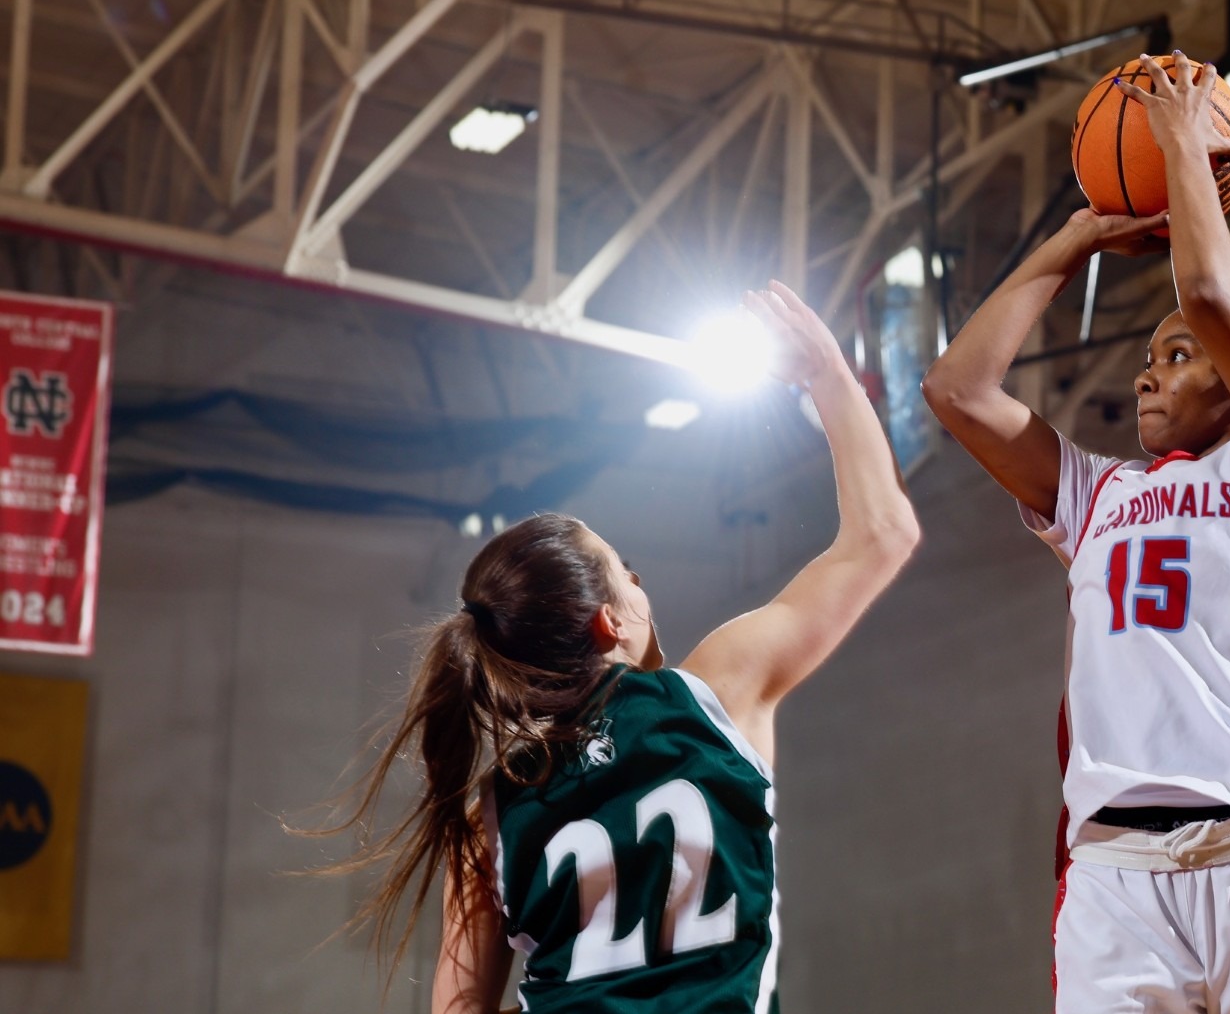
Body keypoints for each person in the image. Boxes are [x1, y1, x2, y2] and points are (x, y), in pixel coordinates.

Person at [312, 282, 919, 1013]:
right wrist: (827, 371)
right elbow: (884, 533)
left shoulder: (493, 814)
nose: (639, 579)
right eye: (625, 572)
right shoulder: (716, 693)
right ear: (610, 622)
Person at [922, 52, 1230, 1013]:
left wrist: (1178, 138)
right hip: (1114, 876)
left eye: (1177, 357)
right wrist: (1074, 239)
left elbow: (1213, 299)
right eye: (1148, 357)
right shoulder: (1099, 496)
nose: (1147, 375)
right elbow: (959, 392)